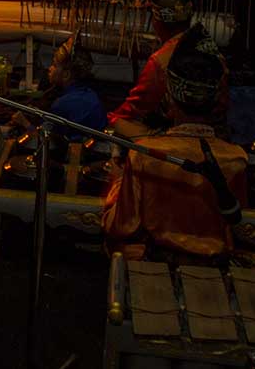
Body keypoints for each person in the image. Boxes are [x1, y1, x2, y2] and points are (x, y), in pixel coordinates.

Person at [102, 24, 247, 263]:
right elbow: (236, 224)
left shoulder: (145, 155)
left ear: (169, 99)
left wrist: (118, 180)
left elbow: (121, 227)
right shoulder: (237, 158)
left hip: (156, 263)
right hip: (214, 265)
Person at [107, 0, 228, 135]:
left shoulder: (161, 60)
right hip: (217, 132)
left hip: (180, 133)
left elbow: (134, 109)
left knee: (117, 121)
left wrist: (112, 118)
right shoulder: (212, 49)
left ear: (156, 23)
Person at [45, 31, 107, 141]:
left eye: (54, 65)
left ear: (66, 75)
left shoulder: (62, 104)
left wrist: (25, 123)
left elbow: (49, 141)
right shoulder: (91, 95)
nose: (49, 68)